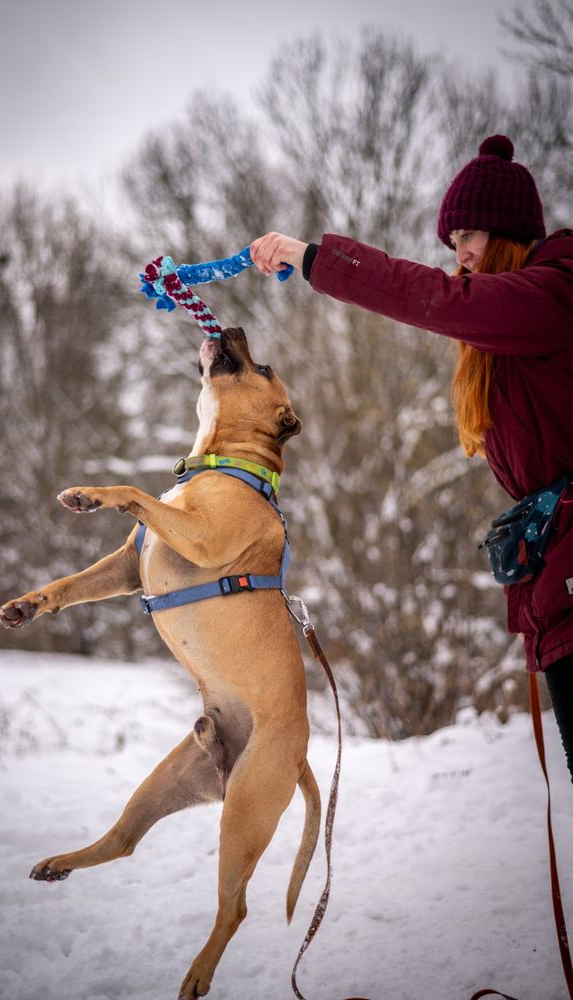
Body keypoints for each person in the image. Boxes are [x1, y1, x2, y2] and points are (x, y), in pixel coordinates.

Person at [250, 135, 573, 780]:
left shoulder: (557, 291)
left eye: (469, 237)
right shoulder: (519, 328)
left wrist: (315, 259)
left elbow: (435, 299)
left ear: (509, 230)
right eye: (451, 246)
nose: (461, 258)